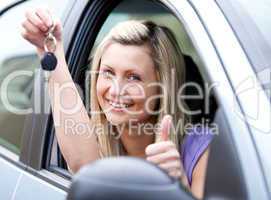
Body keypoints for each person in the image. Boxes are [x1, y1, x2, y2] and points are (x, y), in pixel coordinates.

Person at [21, 7, 213, 199]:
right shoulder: (94, 139)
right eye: (108, 73)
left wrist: (179, 186)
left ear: (162, 87)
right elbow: (82, 165)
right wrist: (49, 48)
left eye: (133, 77)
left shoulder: (202, 150)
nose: (115, 90)